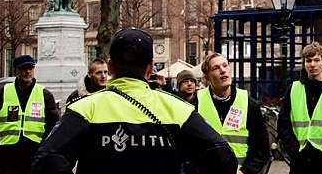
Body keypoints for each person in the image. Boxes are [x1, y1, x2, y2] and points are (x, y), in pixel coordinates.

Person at [32, 27, 238, 174]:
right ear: (151, 67)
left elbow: (46, 160)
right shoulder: (177, 108)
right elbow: (223, 158)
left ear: (111, 66)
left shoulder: (85, 108)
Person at [277, 42, 322, 174]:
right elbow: (283, 125)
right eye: (309, 60)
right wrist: (294, 151)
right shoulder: (293, 89)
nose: (312, 64)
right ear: (304, 64)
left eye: (316, 60)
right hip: (300, 159)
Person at [0, 55, 60, 174]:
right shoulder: (3, 92)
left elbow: (54, 125)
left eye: (30, 68)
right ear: (15, 71)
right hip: (7, 157)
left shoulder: (44, 94)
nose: (28, 71)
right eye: (23, 68)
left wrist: (44, 150)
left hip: (34, 157)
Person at [198, 53, 269, 174]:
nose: (222, 71)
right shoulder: (196, 104)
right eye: (216, 68)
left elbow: (261, 149)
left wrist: (245, 171)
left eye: (225, 66)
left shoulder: (249, 104)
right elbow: (187, 150)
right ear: (207, 78)